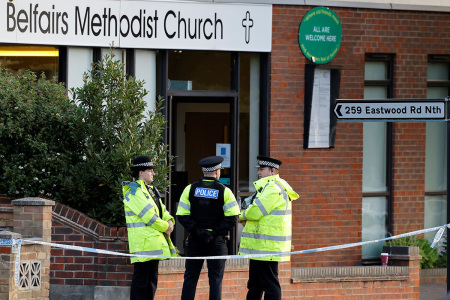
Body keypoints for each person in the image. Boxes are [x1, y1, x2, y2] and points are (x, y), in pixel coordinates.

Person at [176, 156, 240, 300]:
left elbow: (182, 216)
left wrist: (198, 231)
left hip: (195, 241)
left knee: (190, 278)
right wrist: (214, 232)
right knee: (215, 280)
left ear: (204, 171)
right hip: (216, 242)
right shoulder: (225, 191)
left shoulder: (189, 189)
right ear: (217, 172)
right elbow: (232, 218)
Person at [238, 155, 299, 300]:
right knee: (255, 283)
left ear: (273, 171)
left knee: (270, 284)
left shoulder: (272, 188)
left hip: (266, 246)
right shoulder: (267, 187)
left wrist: (241, 216)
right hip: (261, 245)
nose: (258, 173)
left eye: (261, 169)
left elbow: (255, 211)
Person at [122, 155, 176, 300]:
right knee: (141, 284)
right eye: (150, 170)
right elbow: (149, 216)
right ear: (140, 172)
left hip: (153, 244)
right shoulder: (134, 191)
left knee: (151, 283)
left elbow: (162, 210)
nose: (153, 173)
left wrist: (170, 221)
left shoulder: (152, 190)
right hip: (143, 245)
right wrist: (166, 227)